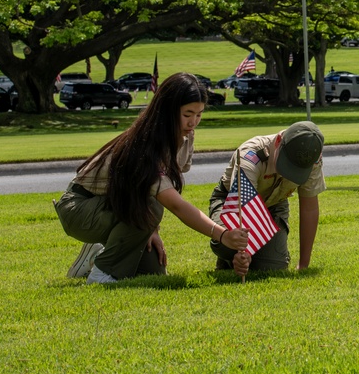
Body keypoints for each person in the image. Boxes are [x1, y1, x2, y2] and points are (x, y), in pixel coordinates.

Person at [54, 72, 250, 284]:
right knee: (151, 207)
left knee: (154, 271)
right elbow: (175, 205)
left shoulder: (183, 137)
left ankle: (102, 252)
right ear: (168, 111)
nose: (193, 122)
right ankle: (102, 272)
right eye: (187, 114)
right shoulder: (146, 146)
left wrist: (151, 230)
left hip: (116, 206)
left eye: (199, 114)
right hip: (80, 208)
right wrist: (222, 235)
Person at [209, 121, 325, 277]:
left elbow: (309, 208)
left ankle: (254, 255)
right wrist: (244, 251)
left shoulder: (311, 158)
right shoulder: (250, 155)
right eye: (286, 164)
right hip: (234, 203)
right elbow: (243, 207)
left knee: (273, 267)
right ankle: (227, 257)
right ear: (278, 141)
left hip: (274, 204)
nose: (287, 173)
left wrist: (303, 264)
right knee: (228, 242)